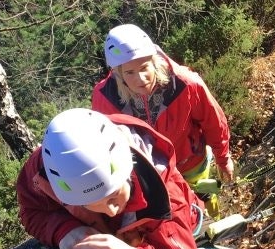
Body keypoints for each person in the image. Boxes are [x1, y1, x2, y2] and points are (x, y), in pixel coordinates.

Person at [16, 108, 222, 249]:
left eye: (114, 195)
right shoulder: (49, 169)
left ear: (128, 167)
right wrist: (63, 230)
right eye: (91, 204)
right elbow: (30, 210)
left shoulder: (164, 196)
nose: (111, 211)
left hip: (179, 243)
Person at [91, 24, 235, 211]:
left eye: (144, 68)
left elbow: (213, 120)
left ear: (154, 60)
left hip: (191, 163)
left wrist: (223, 158)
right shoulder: (105, 98)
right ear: (118, 73)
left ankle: (215, 219)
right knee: (175, 215)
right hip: (150, 176)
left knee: (205, 200)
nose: (141, 79)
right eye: (130, 72)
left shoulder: (184, 83)